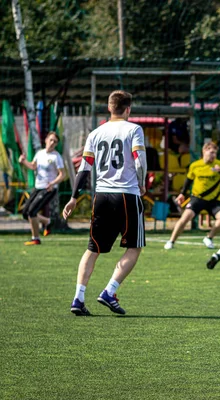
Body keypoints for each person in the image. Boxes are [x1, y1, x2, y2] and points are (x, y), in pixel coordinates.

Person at [63, 90, 147, 316]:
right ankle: (110, 291)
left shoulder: (96, 133)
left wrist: (73, 197)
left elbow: (85, 167)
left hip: (101, 196)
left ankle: (78, 298)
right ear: (128, 109)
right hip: (126, 195)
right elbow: (140, 161)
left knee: (92, 249)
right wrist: (142, 183)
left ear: (109, 108)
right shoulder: (134, 129)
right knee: (134, 246)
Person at [164, 142, 220, 250]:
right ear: (204, 151)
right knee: (185, 218)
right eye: (211, 152)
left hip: (213, 200)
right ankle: (171, 241)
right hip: (197, 198)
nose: (213, 155)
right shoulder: (195, 165)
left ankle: (209, 237)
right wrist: (182, 194)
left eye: (215, 153)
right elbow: (188, 181)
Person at [19, 131, 65, 245]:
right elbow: (33, 166)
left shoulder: (56, 157)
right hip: (38, 187)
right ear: (46, 140)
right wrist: (23, 161)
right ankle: (47, 221)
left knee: (32, 211)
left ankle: (36, 238)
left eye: (55, 141)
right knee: (25, 213)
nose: (52, 143)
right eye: (51, 140)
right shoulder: (40, 153)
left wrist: (53, 183)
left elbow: (62, 174)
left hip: (49, 189)